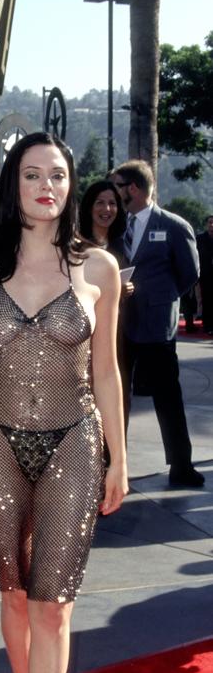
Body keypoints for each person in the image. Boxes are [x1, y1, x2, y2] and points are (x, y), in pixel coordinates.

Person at [0, 131, 128, 673]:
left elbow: (107, 372)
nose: (45, 185)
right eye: (31, 173)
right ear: (14, 183)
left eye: (57, 174)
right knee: (11, 597)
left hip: (73, 445)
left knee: (53, 608)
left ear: (71, 184)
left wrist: (118, 459)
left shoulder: (98, 267)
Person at [111, 160, 204, 487]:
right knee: (117, 395)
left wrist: (163, 299)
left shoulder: (175, 226)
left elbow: (190, 273)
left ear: (133, 189)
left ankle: (182, 466)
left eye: (118, 186)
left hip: (156, 327)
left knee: (168, 396)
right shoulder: (117, 225)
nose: (114, 193)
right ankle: (113, 465)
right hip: (121, 324)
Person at [196, 214, 213, 335]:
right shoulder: (200, 239)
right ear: (206, 225)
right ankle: (207, 325)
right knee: (207, 300)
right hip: (205, 274)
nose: (212, 225)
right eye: (210, 223)